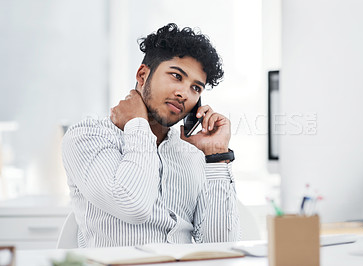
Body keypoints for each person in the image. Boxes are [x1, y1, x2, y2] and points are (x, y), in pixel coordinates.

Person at [62, 23, 239, 248]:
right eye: (176, 76)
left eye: (196, 88)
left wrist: (216, 156)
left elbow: (221, 245)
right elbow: (133, 205)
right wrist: (138, 125)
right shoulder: (87, 137)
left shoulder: (191, 153)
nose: (184, 93)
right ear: (143, 75)